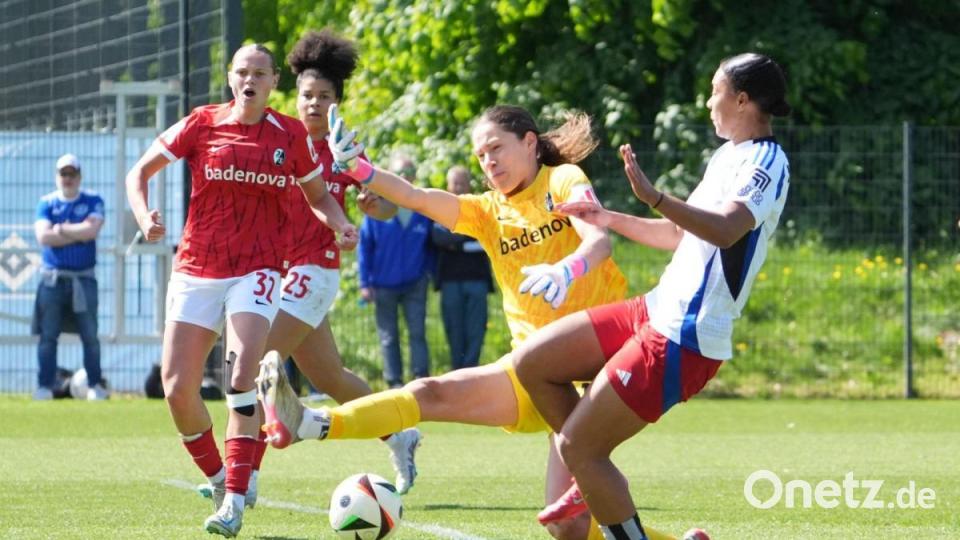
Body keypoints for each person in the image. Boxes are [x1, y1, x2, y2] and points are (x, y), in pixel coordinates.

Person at [259, 103, 633, 540]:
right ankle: (311, 423)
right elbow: (416, 197)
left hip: (598, 366)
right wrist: (360, 170)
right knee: (429, 392)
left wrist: (568, 269)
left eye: (496, 148)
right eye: (481, 155)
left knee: (566, 522)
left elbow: (599, 240)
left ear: (530, 143)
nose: (489, 161)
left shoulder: (563, 179)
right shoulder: (487, 211)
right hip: (538, 372)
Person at [513, 52, 791, 540]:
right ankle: (589, 468)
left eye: (715, 91)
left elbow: (726, 230)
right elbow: (678, 235)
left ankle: (588, 462)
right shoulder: (727, 156)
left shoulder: (767, 161)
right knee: (532, 363)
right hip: (655, 309)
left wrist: (656, 196)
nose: (708, 102)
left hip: (685, 336)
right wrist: (609, 218)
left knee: (579, 447)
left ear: (742, 100)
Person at [125, 43, 356, 537]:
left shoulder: (289, 134)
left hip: (258, 271)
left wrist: (340, 224)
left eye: (260, 73)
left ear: (274, 82)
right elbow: (138, 173)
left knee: (241, 377)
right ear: (231, 78)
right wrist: (145, 218)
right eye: (242, 71)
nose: (250, 79)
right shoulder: (202, 123)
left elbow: (318, 195)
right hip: (196, 268)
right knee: (177, 389)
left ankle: (233, 501)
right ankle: (218, 477)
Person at [259, 28, 422, 495]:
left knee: (256, 359)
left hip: (315, 270)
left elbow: (388, 207)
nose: (313, 103)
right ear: (295, 97)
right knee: (331, 377)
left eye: (324, 96)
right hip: (277, 272)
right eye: (307, 95)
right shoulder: (275, 140)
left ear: (337, 102)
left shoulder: (343, 148)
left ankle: (239, 476)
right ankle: (400, 433)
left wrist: (374, 205)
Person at [32, 153, 107, 401]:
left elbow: (91, 231)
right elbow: (44, 237)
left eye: (72, 174)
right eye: (63, 174)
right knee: (48, 336)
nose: (68, 178)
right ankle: (44, 386)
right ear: (57, 177)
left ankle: (95, 385)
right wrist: (77, 232)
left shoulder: (93, 199)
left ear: (79, 176)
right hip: (52, 280)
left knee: (90, 335)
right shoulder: (46, 203)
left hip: (84, 280)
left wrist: (61, 229)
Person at [357, 155, 434, 387]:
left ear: (415, 176)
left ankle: (421, 378)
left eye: (409, 173)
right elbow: (365, 247)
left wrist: (429, 273)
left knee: (417, 332)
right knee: (388, 336)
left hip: (415, 282)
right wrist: (364, 283)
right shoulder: (376, 208)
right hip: (383, 284)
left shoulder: (423, 207)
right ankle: (394, 381)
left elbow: (432, 245)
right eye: (400, 173)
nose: (404, 177)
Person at [431, 165, 493, 370]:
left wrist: (455, 240)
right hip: (450, 280)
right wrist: (468, 236)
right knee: (453, 327)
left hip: (477, 279)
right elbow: (438, 237)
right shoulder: (440, 208)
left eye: (462, 183)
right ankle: (457, 370)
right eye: (454, 183)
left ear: (469, 185)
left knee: (476, 328)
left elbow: (486, 235)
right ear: (448, 186)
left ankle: (471, 368)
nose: (458, 187)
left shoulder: (479, 207)